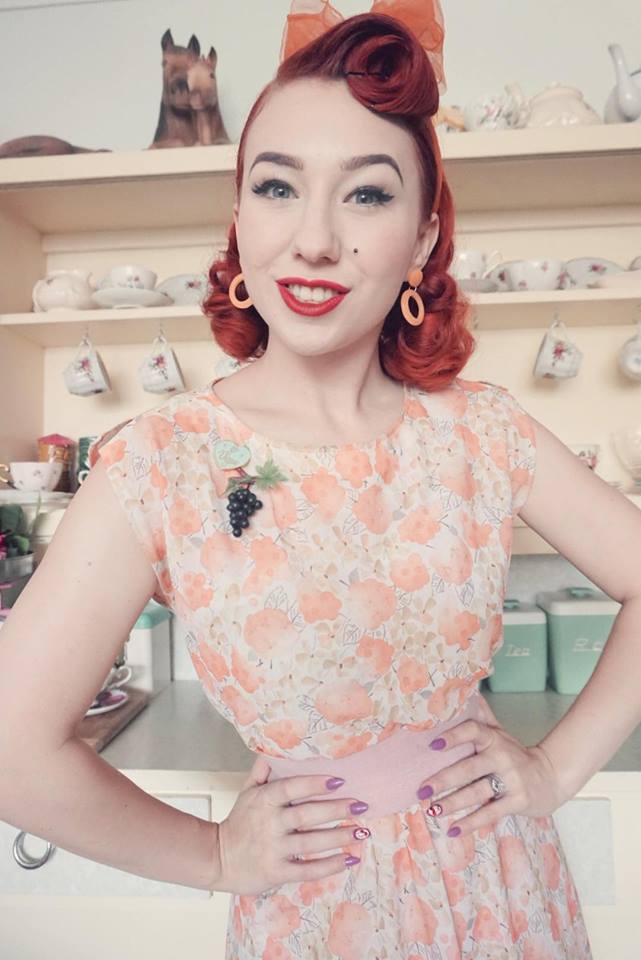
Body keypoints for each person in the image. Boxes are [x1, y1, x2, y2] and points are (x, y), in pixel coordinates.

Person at [2, 9, 641, 959]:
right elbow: (12, 751)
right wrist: (215, 854)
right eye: (276, 186)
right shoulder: (162, 461)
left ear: (422, 237)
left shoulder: (479, 430)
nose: (313, 238)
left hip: (503, 887)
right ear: (239, 215)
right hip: (315, 909)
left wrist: (554, 769)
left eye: (367, 195)